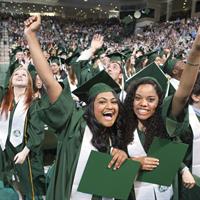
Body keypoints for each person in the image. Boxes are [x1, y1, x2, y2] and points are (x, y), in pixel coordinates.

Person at [24, 15, 133, 200]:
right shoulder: (73, 121)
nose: (110, 106)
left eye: (114, 102)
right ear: (90, 106)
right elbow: (50, 82)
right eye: (102, 101)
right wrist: (31, 36)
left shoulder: (118, 132)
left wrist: (123, 154)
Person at [124, 25, 200, 200]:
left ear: (159, 102)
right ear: (131, 100)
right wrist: (133, 163)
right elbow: (105, 169)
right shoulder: (120, 126)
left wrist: (196, 50)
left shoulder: (164, 122)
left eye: (151, 99)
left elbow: (182, 94)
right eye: (138, 98)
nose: (143, 104)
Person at [0, 66, 46, 199]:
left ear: (29, 82)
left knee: (31, 187)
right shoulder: (4, 100)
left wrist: (25, 152)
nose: (19, 76)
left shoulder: (33, 103)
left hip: (27, 152)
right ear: (10, 81)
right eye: (16, 74)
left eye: (24, 75)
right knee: (10, 180)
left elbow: (37, 131)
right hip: (5, 149)